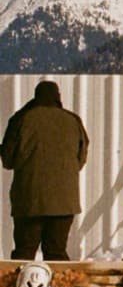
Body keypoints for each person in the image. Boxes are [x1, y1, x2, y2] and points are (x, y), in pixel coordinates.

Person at [2, 81, 90, 260]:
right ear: (58, 97)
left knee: (24, 253)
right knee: (56, 252)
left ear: (35, 97)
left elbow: (8, 160)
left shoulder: (22, 119)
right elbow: (80, 160)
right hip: (64, 202)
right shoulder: (73, 120)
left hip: (29, 200)